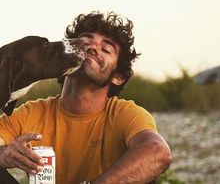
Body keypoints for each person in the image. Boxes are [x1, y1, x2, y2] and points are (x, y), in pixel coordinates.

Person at [0, 11, 172, 184]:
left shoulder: (124, 114)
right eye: (85, 42)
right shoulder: (30, 113)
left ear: (118, 77)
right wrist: (5, 155)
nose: (92, 48)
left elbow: (159, 152)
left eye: (105, 49)